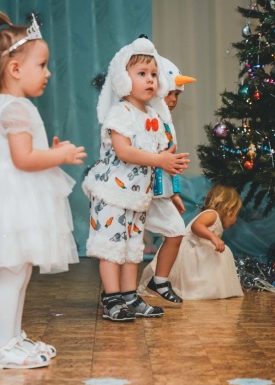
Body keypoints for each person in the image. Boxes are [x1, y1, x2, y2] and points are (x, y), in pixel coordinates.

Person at [0, 4, 86, 369]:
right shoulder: (16, 109)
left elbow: (23, 154)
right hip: (13, 204)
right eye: (42, 65)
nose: (48, 73)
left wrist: (48, 151)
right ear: (15, 69)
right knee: (11, 277)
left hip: (15, 200)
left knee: (18, 274)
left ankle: (12, 337)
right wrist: (60, 155)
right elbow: (23, 160)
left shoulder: (7, 104)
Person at [82, 37, 190, 322]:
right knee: (111, 249)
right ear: (123, 78)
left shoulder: (153, 115)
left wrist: (170, 164)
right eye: (142, 73)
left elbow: (161, 152)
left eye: (153, 74)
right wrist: (160, 160)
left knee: (132, 249)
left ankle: (130, 296)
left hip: (137, 196)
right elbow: (124, 151)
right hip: (111, 194)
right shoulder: (121, 112)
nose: (150, 79)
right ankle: (112, 298)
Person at [138, 56, 196, 305]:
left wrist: (174, 192)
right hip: (139, 191)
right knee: (129, 244)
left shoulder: (168, 124)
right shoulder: (142, 118)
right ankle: (118, 293)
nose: (173, 100)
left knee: (175, 231)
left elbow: (172, 161)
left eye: (177, 95)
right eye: (169, 93)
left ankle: (159, 280)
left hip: (160, 194)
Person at [142, 183, 243, 301]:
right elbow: (197, 226)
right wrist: (213, 237)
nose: (235, 220)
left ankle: (223, 286)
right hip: (192, 250)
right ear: (229, 209)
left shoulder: (213, 215)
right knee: (222, 253)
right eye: (236, 214)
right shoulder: (212, 214)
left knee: (221, 254)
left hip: (199, 249)